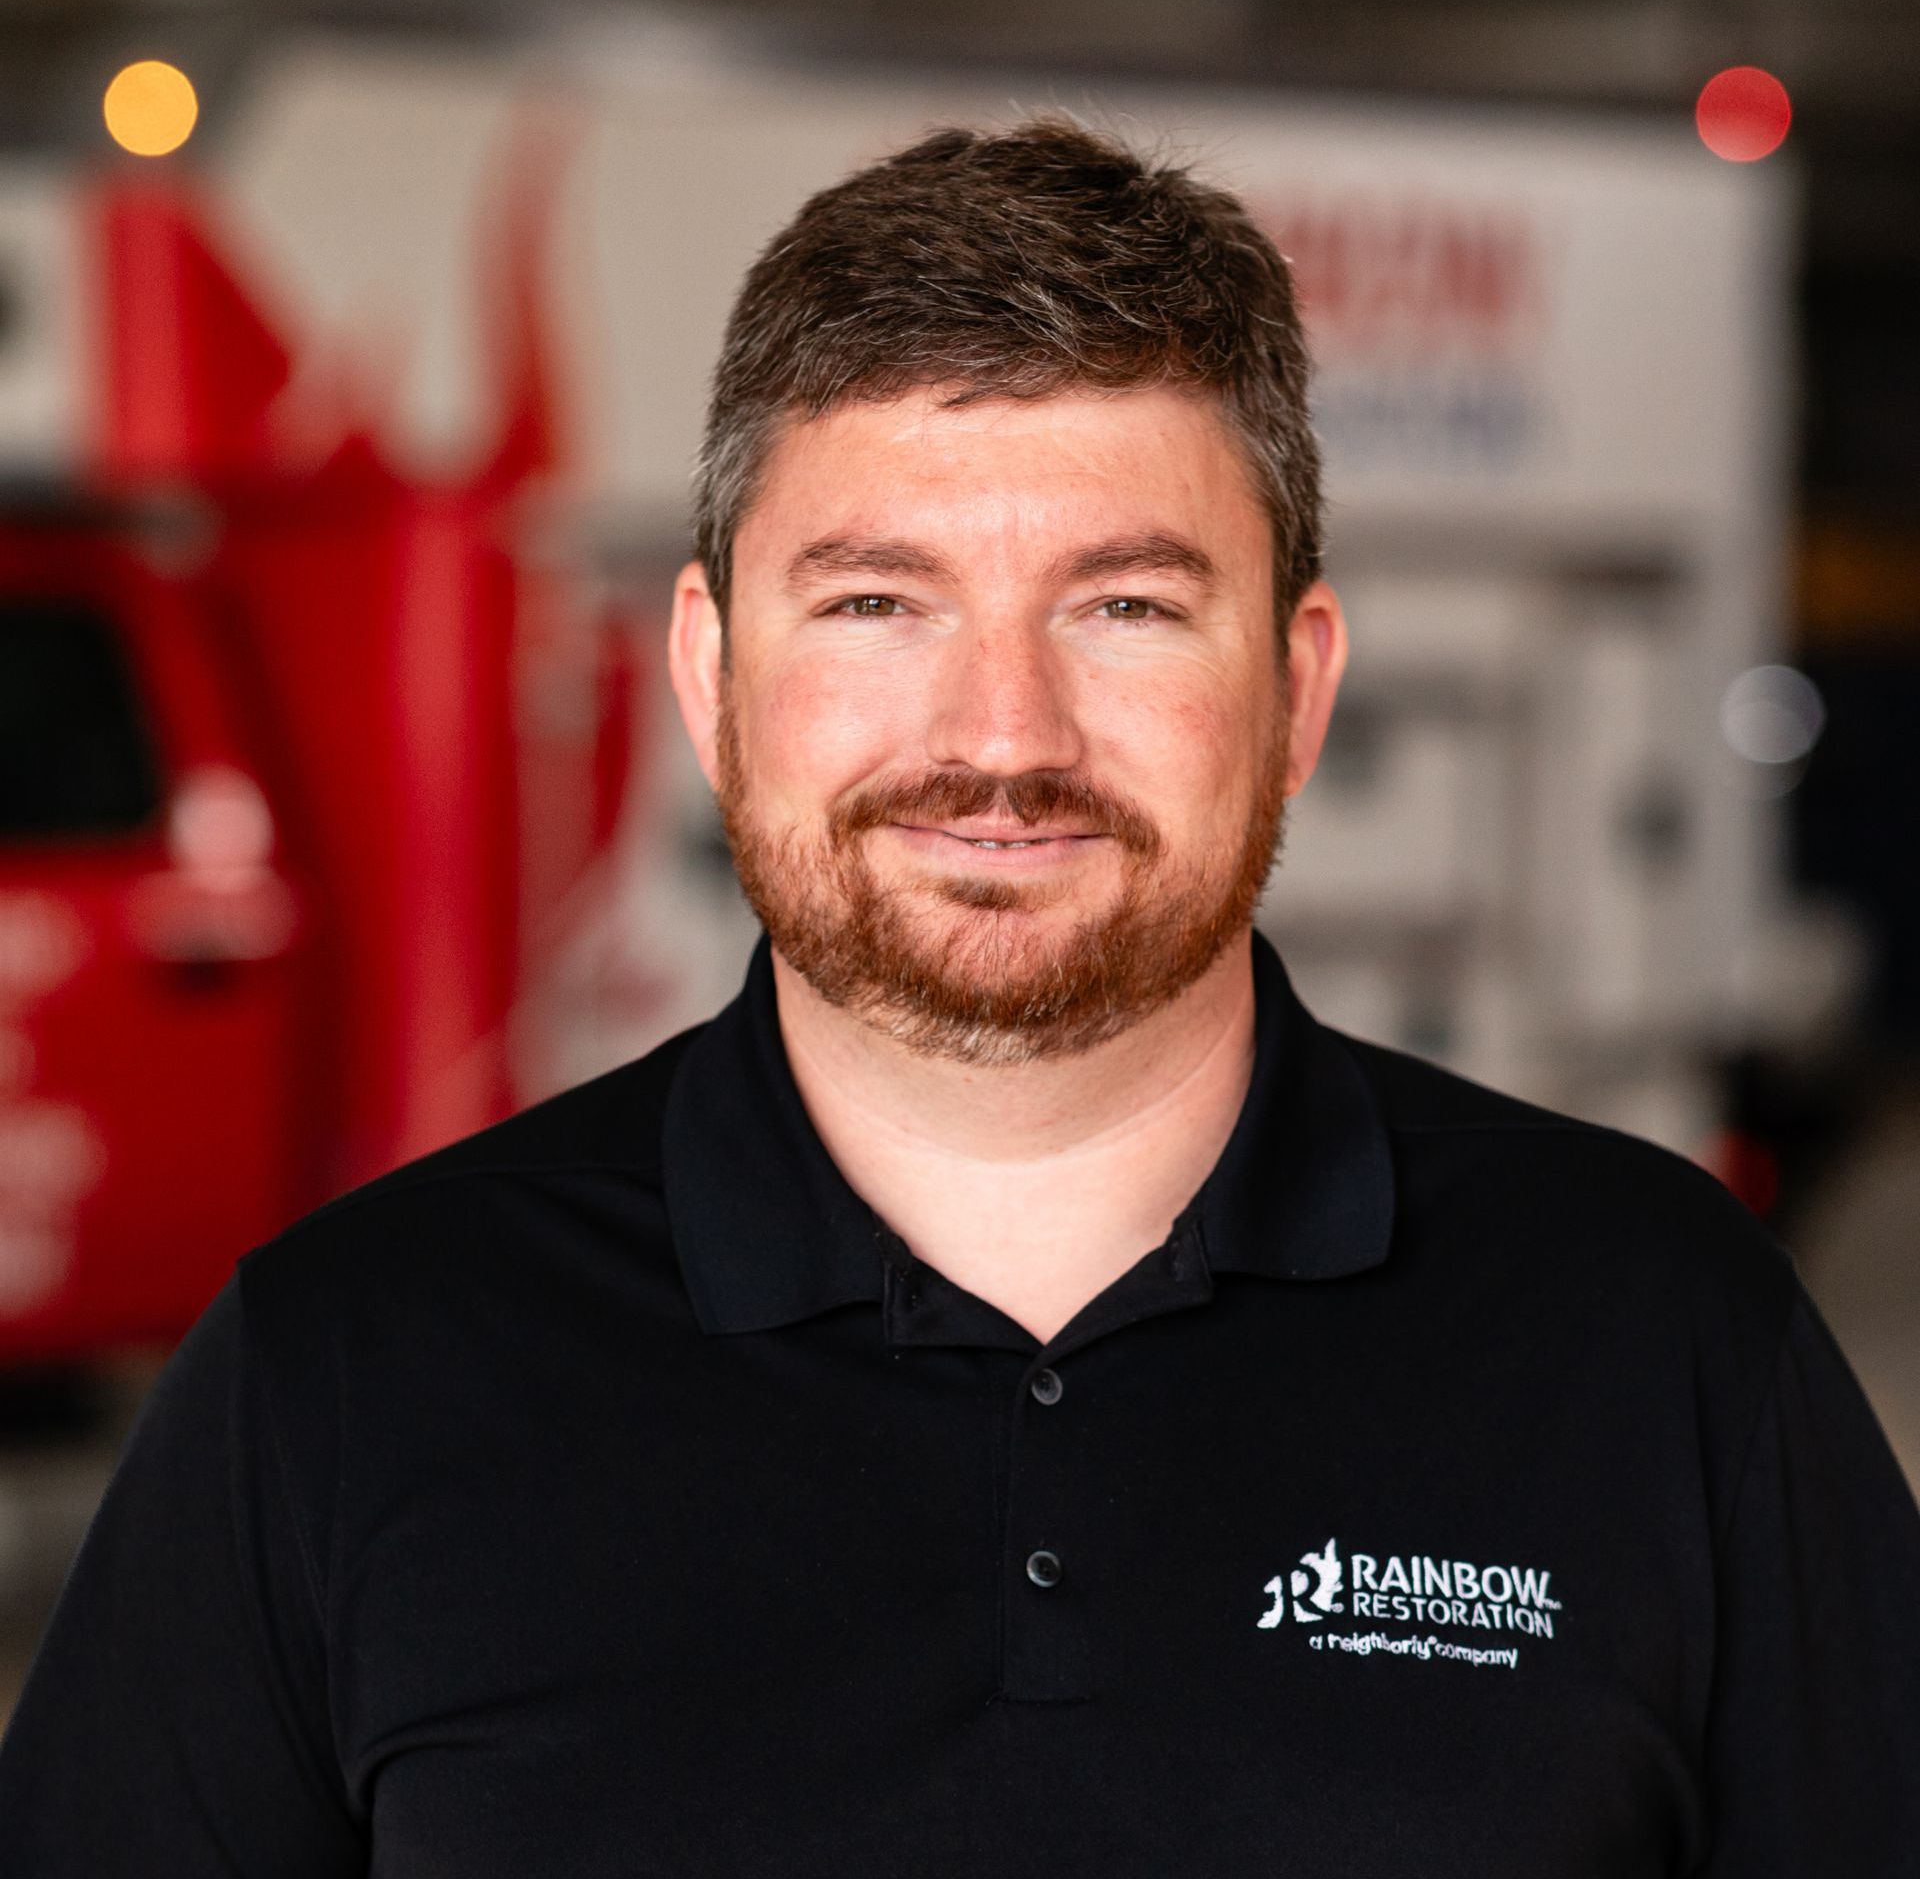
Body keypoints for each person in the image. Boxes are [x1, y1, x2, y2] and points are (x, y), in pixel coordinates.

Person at [1, 116, 1916, 1877]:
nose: (1005, 736)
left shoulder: (1664, 1338)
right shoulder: (343, 1375)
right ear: (710, 670)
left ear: (1303, 688)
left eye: (1127, 604)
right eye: (876, 601)